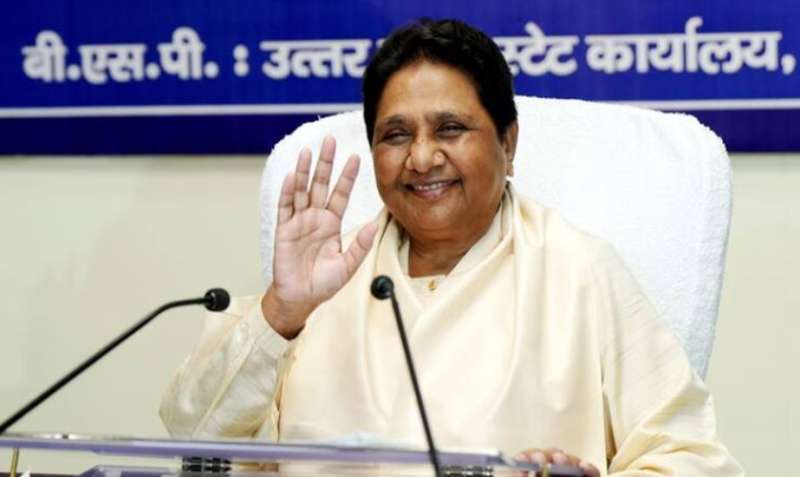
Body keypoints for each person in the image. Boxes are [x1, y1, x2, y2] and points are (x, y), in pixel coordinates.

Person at [160, 19, 742, 476]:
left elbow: (693, 459)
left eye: (450, 129)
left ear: (508, 143)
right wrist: (281, 312)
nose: (421, 158)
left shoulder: (578, 269)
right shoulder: (323, 279)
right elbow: (194, 437)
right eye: (396, 135)